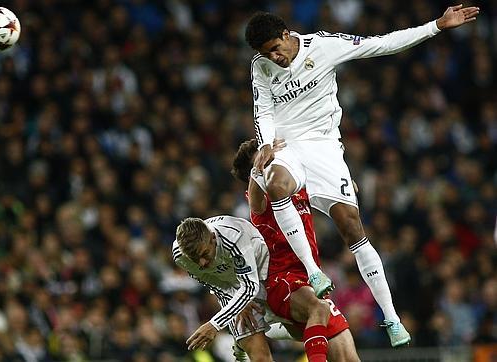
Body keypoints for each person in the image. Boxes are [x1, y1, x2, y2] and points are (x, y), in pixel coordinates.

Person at [244, 5, 479, 347]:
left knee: (351, 224)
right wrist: (266, 144)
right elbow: (262, 110)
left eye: (275, 49)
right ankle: (313, 271)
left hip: (323, 145)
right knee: (278, 186)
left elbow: (381, 44)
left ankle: (393, 319)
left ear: (284, 34)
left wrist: (436, 26)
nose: (273, 57)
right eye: (266, 54)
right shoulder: (260, 66)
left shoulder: (323, 45)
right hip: (287, 145)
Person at [232, 139, 360, 362]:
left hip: (311, 280)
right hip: (283, 280)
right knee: (318, 309)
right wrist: (259, 165)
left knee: (349, 358)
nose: (272, 161)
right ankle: (262, 329)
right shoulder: (259, 198)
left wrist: (342, 184)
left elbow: (342, 191)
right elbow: (255, 197)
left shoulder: (295, 184)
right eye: (265, 159)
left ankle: (266, 330)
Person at [172, 216, 274, 361]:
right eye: (194, 258)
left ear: (213, 238)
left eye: (204, 254)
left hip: (263, 271)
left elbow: (250, 286)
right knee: (260, 358)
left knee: (297, 328)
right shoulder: (180, 256)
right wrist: (237, 302)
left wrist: (214, 325)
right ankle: (242, 342)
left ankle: (244, 342)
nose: (201, 263)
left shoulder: (234, 236)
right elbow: (211, 282)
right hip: (235, 287)